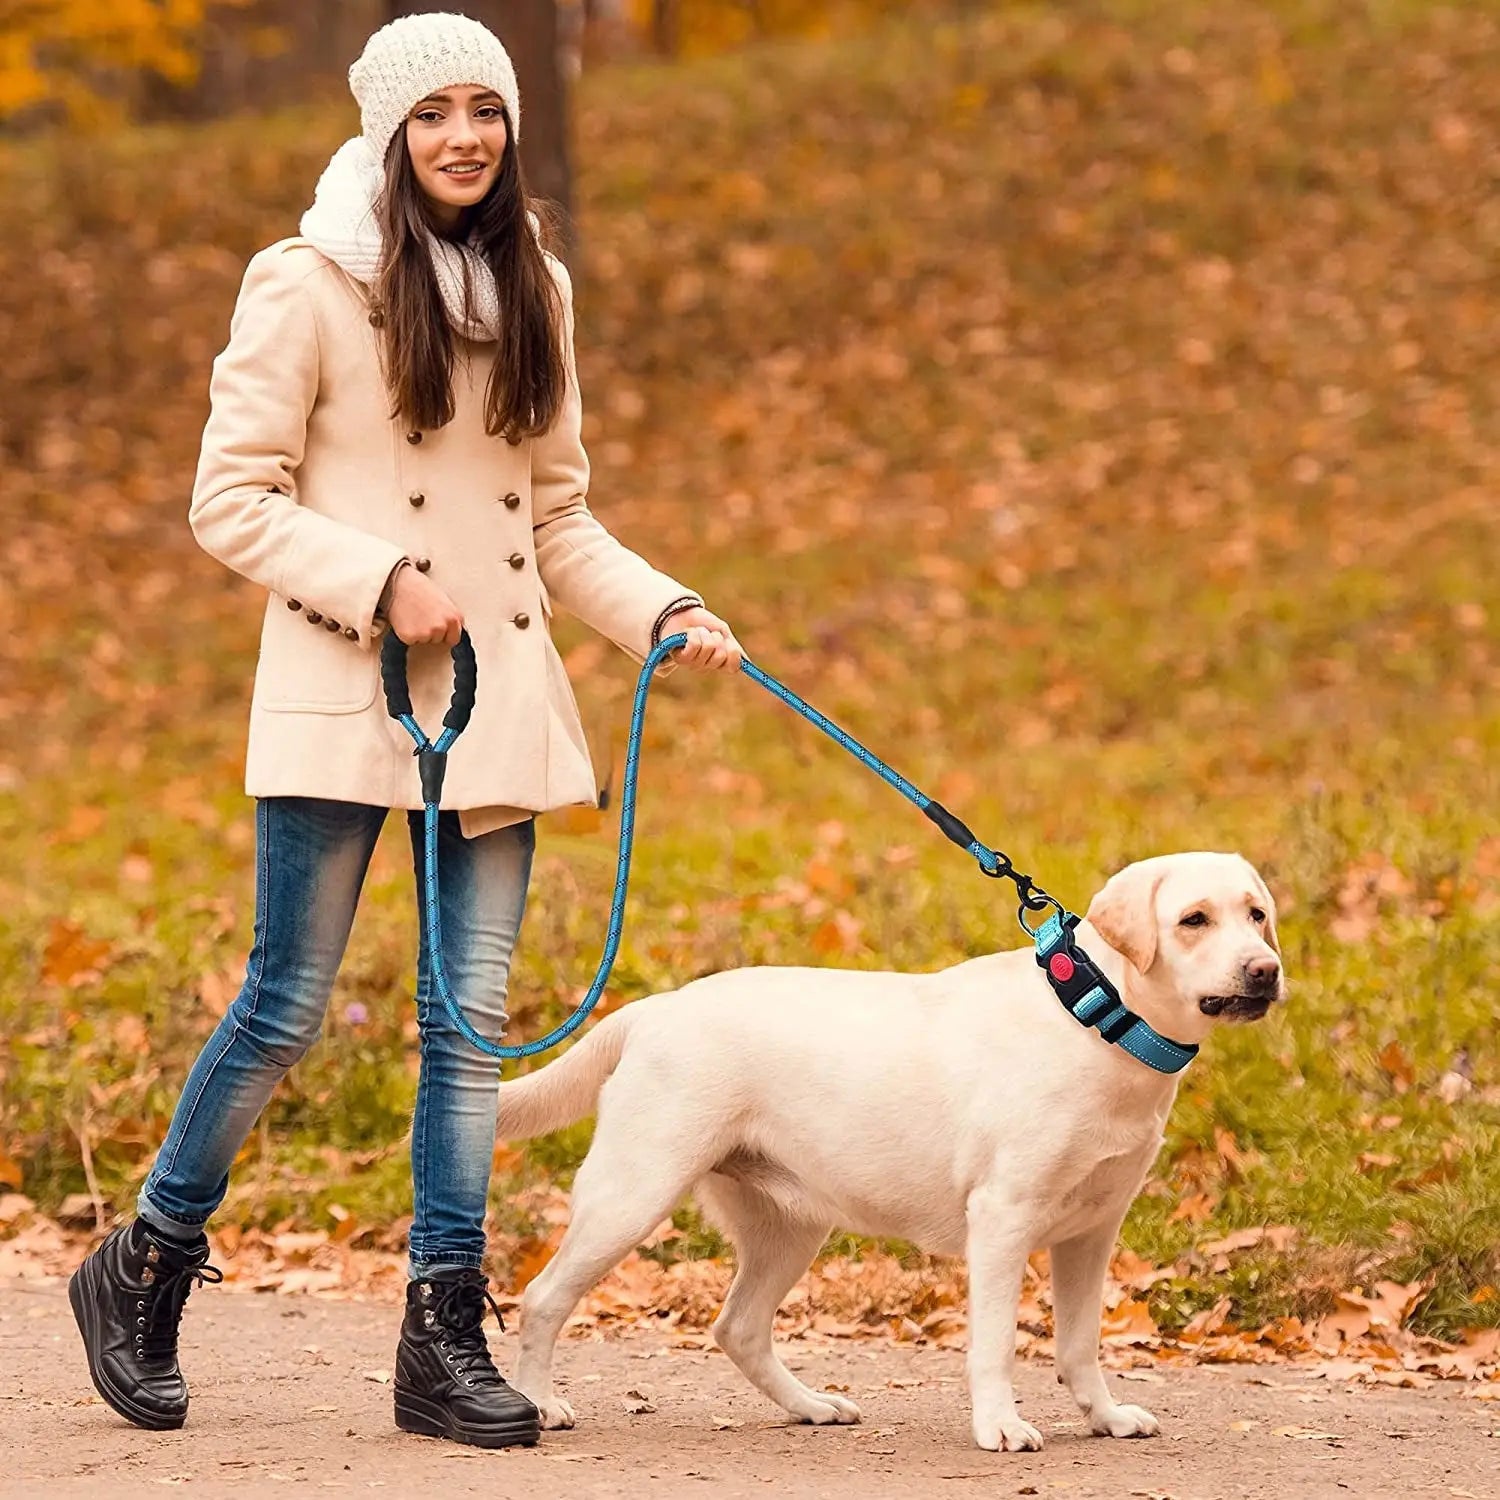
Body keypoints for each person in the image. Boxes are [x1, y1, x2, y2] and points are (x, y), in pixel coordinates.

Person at [69, 11, 741, 1451]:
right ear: (389, 132)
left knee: (469, 1027)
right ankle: (146, 1261)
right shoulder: (304, 282)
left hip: (493, 705)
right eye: (432, 113)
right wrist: (380, 581)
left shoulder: (534, 280)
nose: (462, 136)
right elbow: (228, 497)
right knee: (286, 1006)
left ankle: (444, 1331)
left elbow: (555, 512)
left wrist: (663, 610)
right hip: (348, 691)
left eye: (482, 110)